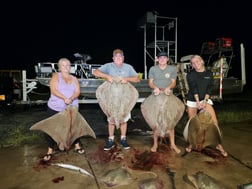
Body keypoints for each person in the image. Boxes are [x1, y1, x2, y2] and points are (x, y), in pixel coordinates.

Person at [93, 49, 140, 151]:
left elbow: (137, 79)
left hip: (125, 99)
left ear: (123, 58)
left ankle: (123, 138)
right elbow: (95, 72)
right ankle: (111, 139)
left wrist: (127, 79)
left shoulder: (128, 67)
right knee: (111, 119)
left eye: (120, 57)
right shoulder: (108, 66)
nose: (118, 58)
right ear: (113, 58)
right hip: (111, 99)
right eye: (116, 57)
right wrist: (107, 76)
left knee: (124, 119)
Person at [185, 55, 228, 157]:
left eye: (197, 61)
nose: (196, 64)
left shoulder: (209, 73)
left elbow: (209, 88)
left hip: (205, 99)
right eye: (193, 63)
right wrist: (198, 101)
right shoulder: (190, 75)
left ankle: (219, 145)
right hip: (193, 100)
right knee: (192, 123)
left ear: (202, 61)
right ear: (192, 65)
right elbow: (193, 88)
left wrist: (205, 100)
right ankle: (191, 143)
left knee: (214, 122)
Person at [43, 58, 84, 161]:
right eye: (63, 65)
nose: (66, 67)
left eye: (68, 65)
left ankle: (77, 145)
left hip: (72, 108)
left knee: (74, 127)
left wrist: (71, 98)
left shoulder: (74, 78)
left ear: (70, 67)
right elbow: (53, 90)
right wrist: (64, 98)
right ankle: (50, 150)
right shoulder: (56, 76)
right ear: (59, 67)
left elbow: (78, 91)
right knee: (51, 128)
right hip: (55, 108)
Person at [148, 51, 181, 154]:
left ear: (167, 59)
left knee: (170, 120)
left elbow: (173, 82)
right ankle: (155, 144)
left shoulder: (172, 69)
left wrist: (168, 88)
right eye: (160, 57)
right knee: (156, 120)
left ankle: (173, 144)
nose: (162, 59)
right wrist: (155, 88)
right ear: (157, 59)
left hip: (168, 95)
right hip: (156, 96)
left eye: (164, 57)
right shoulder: (153, 69)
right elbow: (150, 83)